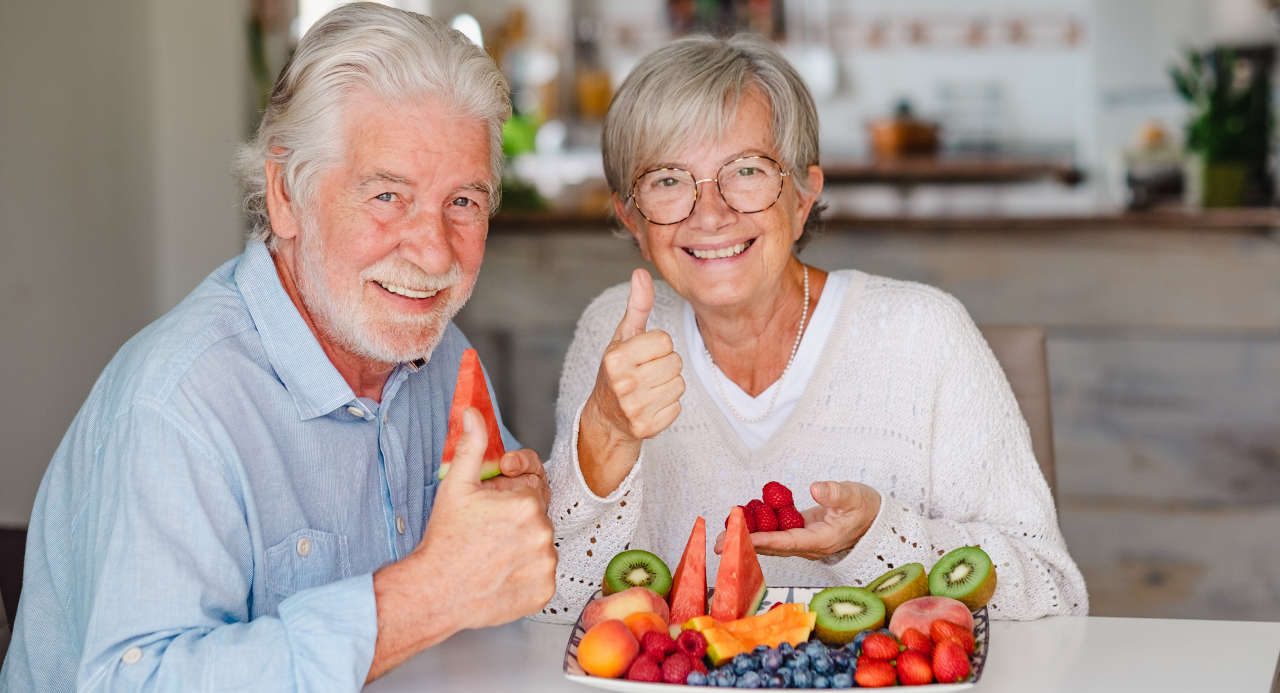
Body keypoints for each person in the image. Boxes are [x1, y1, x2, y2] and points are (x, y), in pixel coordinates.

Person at [0, 4, 556, 690]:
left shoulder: (438, 353)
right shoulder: (178, 405)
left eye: (464, 202)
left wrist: (517, 523)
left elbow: (491, 585)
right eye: (387, 195)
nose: (435, 250)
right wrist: (422, 595)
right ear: (285, 195)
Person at [537, 34, 1086, 622]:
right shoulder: (613, 334)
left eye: (745, 170)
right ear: (633, 219)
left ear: (802, 198)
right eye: (669, 180)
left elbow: (1056, 599)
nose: (711, 213)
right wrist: (606, 436)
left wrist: (876, 538)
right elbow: (553, 613)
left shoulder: (925, 335)